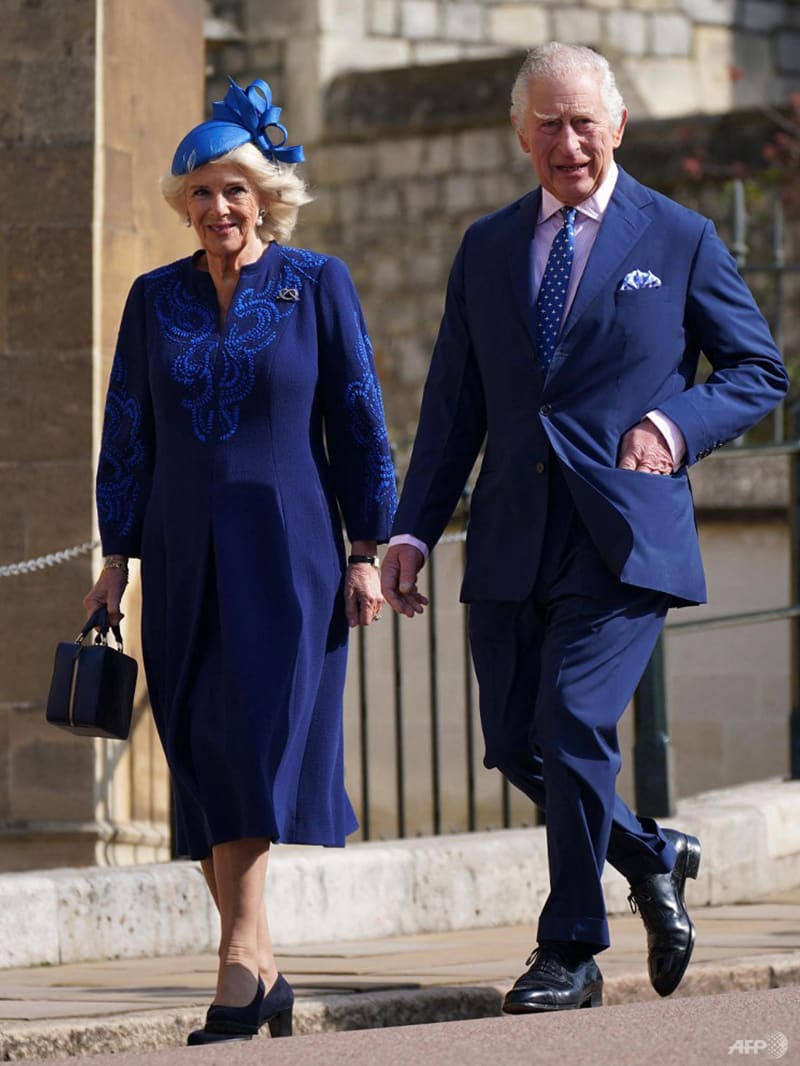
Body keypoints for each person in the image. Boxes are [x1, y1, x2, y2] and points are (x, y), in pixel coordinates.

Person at [382, 42, 788, 1013]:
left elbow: (756, 371)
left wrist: (670, 427)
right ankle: (651, 853)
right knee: (515, 743)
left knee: (570, 721)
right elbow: (453, 407)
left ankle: (568, 948)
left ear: (618, 127)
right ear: (520, 135)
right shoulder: (486, 246)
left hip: (621, 534)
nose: (567, 142)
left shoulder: (679, 236)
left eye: (583, 122)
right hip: (512, 535)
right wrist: (409, 532)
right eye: (548, 125)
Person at [84, 76, 396, 1044]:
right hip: (180, 551)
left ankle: (235, 964)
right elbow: (126, 429)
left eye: (234, 189)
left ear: (264, 197)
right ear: (184, 204)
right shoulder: (152, 298)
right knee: (199, 747)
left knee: (254, 740)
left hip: (288, 549)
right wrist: (116, 556)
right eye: (201, 192)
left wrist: (366, 548)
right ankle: (263, 966)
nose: (218, 207)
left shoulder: (316, 283)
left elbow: (358, 418)